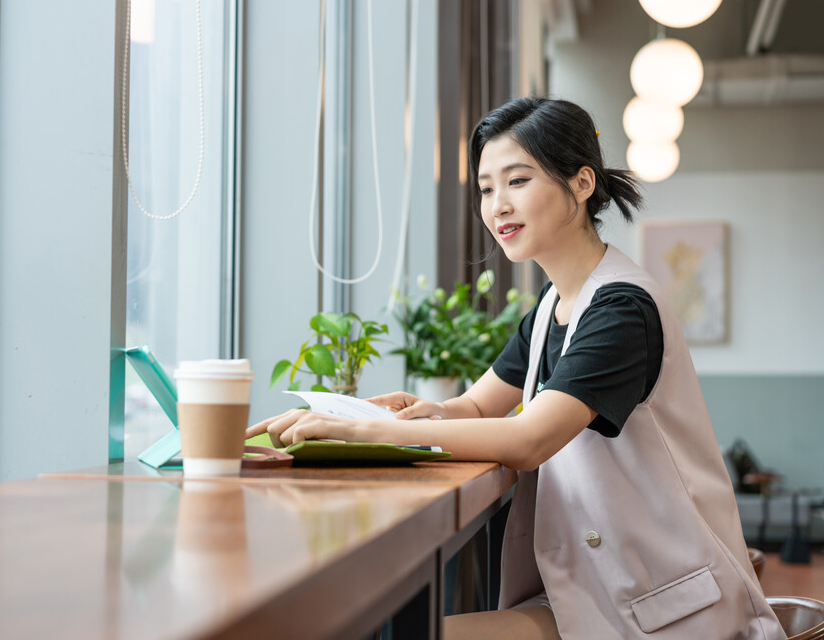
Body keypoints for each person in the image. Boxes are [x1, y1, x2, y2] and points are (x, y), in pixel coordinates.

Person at [247, 97, 785, 639]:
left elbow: (528, 438)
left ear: (581, 183)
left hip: (664, 613)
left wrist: (364, 433)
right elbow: (479, 405)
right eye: (485, 188)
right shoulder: (553, 306)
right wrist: (413, 412)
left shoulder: (621, 309)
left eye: (517, 181)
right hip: (597, 593)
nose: (497, 204)